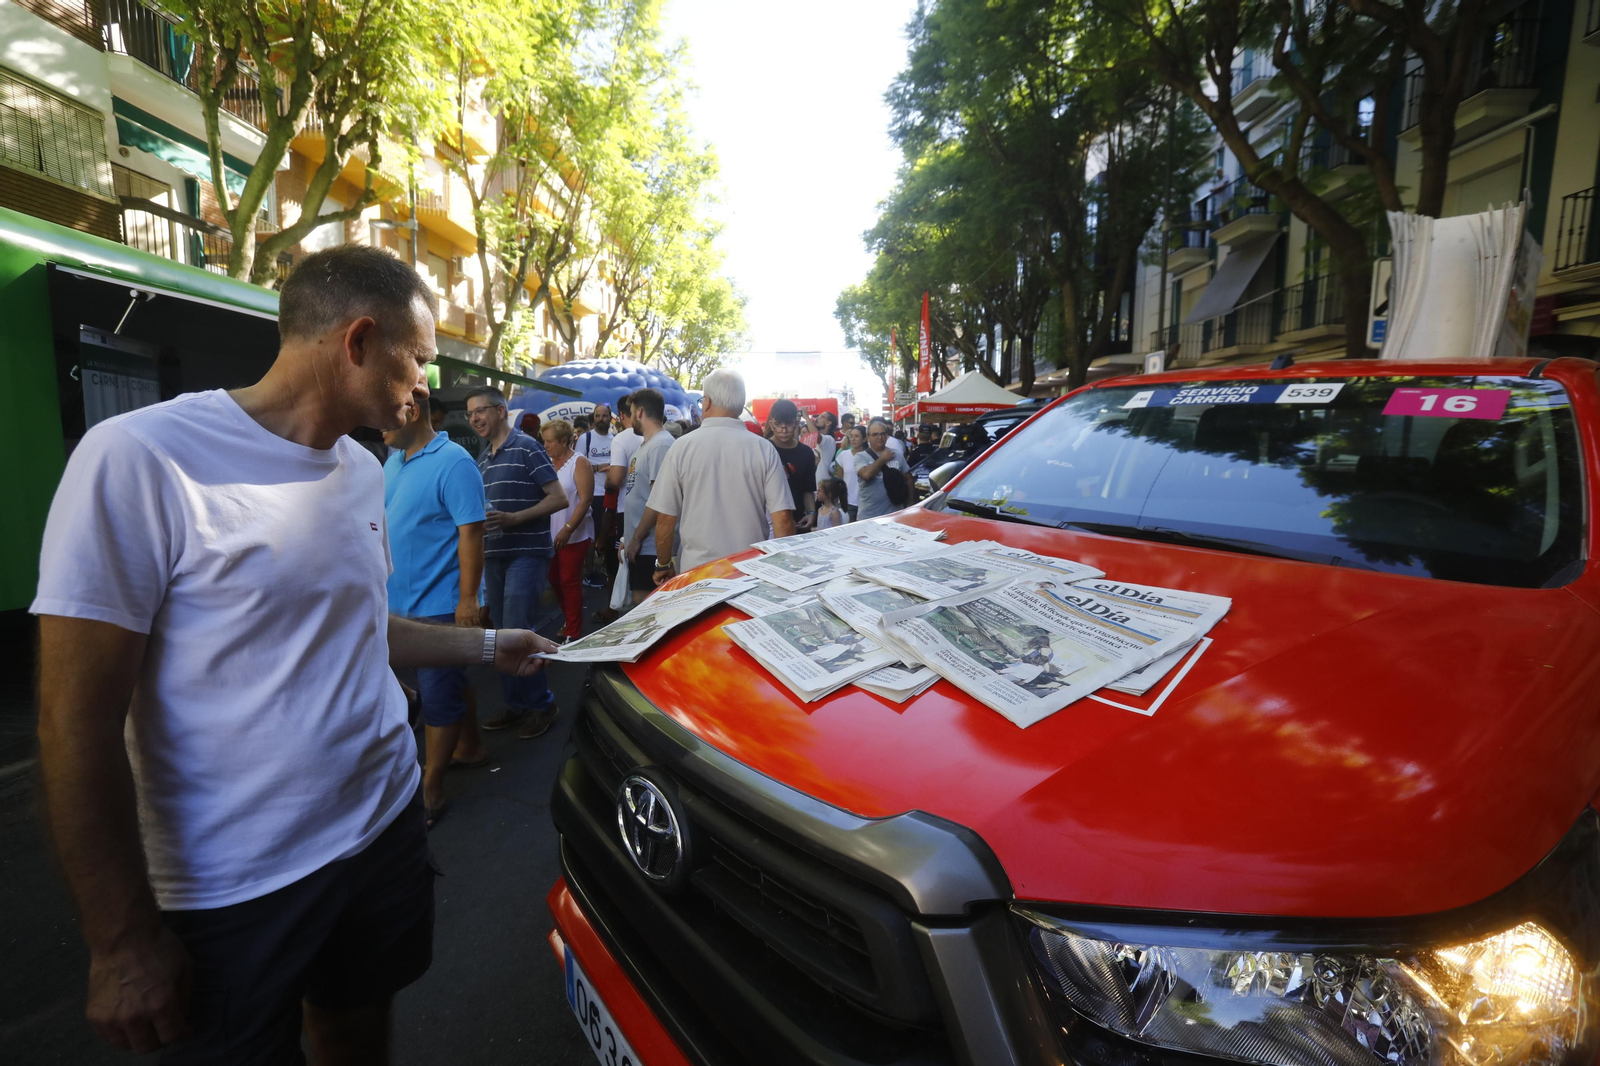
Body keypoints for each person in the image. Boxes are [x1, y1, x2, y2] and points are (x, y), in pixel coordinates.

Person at [31, 244, 559, 1063]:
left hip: (381, 832)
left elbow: (362, 629)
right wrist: (122, 939)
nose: (427, 385)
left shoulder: (358, 469)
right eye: (417, 359)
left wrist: (491, 644)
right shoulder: (139, 460)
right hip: (235, 887)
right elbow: (73, 723)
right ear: (357, 342)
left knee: (356, 1028)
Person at [381, 401, 490, 831]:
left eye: (388, 415)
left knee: (439, 695)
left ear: (410, 412)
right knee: (446, 683)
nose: (380, 425)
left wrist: (468, 598)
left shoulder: (454, 462)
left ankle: (431, 787)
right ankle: (471, 748)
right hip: (399, 604)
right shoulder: (393, 462)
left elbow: (473, 531)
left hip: (439, 604)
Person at [466, 385, 569, 740]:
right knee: (499, 633)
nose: (474, 418)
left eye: (480, 410)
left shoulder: (526, 447)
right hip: (494, 556)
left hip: (526, 552)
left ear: (500, 411)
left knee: (518, 628)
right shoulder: (482, 460)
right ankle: (517, 705)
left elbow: (559, 498)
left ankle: (542, 704)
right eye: (470, 414)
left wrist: (516, 518)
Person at [643, 369, 795, 585]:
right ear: (741, 406)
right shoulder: (764, 448)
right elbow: (782, 519)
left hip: (696, 573)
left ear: (707, 402)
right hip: (750, 573)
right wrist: (783, 573)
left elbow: (665, 518)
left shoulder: (681, 448)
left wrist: (664, 564)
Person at [619, 389, 676, 605]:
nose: (630, 417)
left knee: (645, 609)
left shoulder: (661, 445)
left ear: (640, 411)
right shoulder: (648, 444)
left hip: (651, 547)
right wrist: (628, 538)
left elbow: (659, 501)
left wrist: (636, 539)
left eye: (632, 411)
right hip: (642, 545)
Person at [540, 419, 594, 642]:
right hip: (551, 534)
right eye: (544, 441)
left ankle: (573, 629)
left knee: (568, 580)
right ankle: (569, 620)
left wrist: (568, 528)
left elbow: (585, 500)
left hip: (574, 533)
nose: (546, 446)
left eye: (550, 441)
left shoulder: (579, 462)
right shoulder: (548, 462)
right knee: (554, 579)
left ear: (564, 441)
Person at [594, 396, 641, 624]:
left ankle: (620, 612)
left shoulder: (621, 438)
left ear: (621, 416)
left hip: (625, 509)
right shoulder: (657, 437)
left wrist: (609, 479)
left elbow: (616, 479)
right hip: (650, 508)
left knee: (622, 561)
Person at [575, 404, 613, 588]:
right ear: (593, 418)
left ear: (610, 418)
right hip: (592, 493)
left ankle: (607, 568)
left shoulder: (616, 440)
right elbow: (578, 465)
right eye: (598, 416)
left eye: (604, 416)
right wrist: (599, 467)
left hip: (611, 493)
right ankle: (588, 571)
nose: (601, 419)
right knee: (591, 534)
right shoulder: (585, 439)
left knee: (608, 535)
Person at [767, 399, 818, 532]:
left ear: (796, 423)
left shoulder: (806, 452)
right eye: (778, 425)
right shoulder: (763, 449)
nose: (784, 430)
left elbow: (808, 489)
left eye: (788, 425)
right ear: (771, 424)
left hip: (800, 522)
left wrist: (811, 513)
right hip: (770, 525)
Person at [856, 417, 909, 520]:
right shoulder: (860, 456)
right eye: (875, 434)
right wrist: (883, 459)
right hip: (869, 517)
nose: (879, 437)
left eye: (882, 434)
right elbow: (866, 475)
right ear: (868, 438)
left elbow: (909, 478)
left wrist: (911, 503)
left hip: (895, 516)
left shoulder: (896, 454)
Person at [834, 423, 868, 521]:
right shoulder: (843, 455)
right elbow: (839, 478)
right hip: (848, 501)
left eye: (856, 436)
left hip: (866, 501)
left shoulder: (869, 455)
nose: (853, 439)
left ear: (864, 439)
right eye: (851, 436)